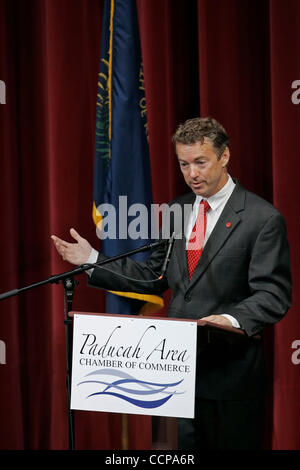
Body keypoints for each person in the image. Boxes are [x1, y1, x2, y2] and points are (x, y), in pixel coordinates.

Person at [51, 117, 292, 450]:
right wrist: (92, 258)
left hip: (230, 379)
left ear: (224, 157)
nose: (192, 173)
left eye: (200, 162)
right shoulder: (176, 210)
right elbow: (154, 277)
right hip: (174, 378)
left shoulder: (262, 218)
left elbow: (273, 293)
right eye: (183, 164)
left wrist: (230, 319)